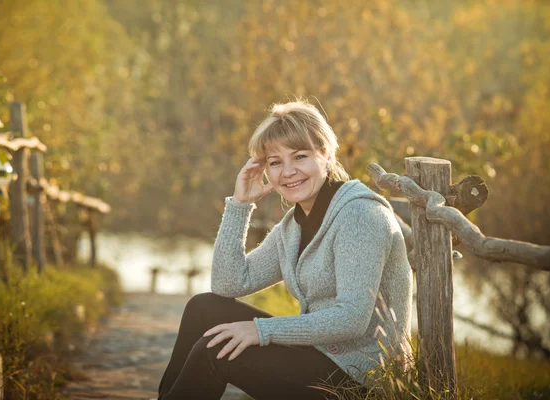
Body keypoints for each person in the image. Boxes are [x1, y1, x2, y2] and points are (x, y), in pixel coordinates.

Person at [157, 99, 413, 400]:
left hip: (362, 380)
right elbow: (228, 284)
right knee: (203, 309)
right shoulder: (294, 226)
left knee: (216, 351)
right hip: (321, 360)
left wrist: (261, 331)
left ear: (326, 155)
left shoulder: (360, 215)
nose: (288, 171)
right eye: (275, 162)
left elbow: (351, 318)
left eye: (300, 156)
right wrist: (240, 205)